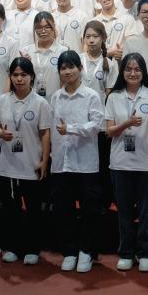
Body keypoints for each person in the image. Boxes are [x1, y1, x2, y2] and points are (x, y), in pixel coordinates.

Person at [105, 53, 148, 272]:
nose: (132, 73)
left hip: (145, 163)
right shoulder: (114, 97)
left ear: (143, 72)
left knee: (146, 212)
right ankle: (126, 253)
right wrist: (127, 123)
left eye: (137, 69)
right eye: (128, 69)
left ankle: (145, 252)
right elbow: (109, 131)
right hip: (120, 163)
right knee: (124, 212)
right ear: (122, 72)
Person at [0, 57, 52, 265]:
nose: (19, 79)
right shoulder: (1, 100)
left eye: (23, 75)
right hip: (8, 164)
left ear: (31, 77)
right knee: (11, 209)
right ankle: (13, 247)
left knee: (33, 209)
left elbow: (45, 133)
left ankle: (32, 249)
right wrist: (1, 133)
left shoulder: (40, 103)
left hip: (31, 163)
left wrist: (44, 160)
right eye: (15, 75)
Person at [49, 50, 105, 273]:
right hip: (61, 162)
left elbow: (97, 125)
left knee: (89, 210)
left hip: (85, 163)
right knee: (64, 210)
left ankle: (87, 251)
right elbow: (53, 130)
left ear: (80, 69)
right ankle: (70, 251)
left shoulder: (91, 96)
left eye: (71, 67)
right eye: (63, 68)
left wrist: (71, 129)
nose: (67, 72)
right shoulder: (55, 97)